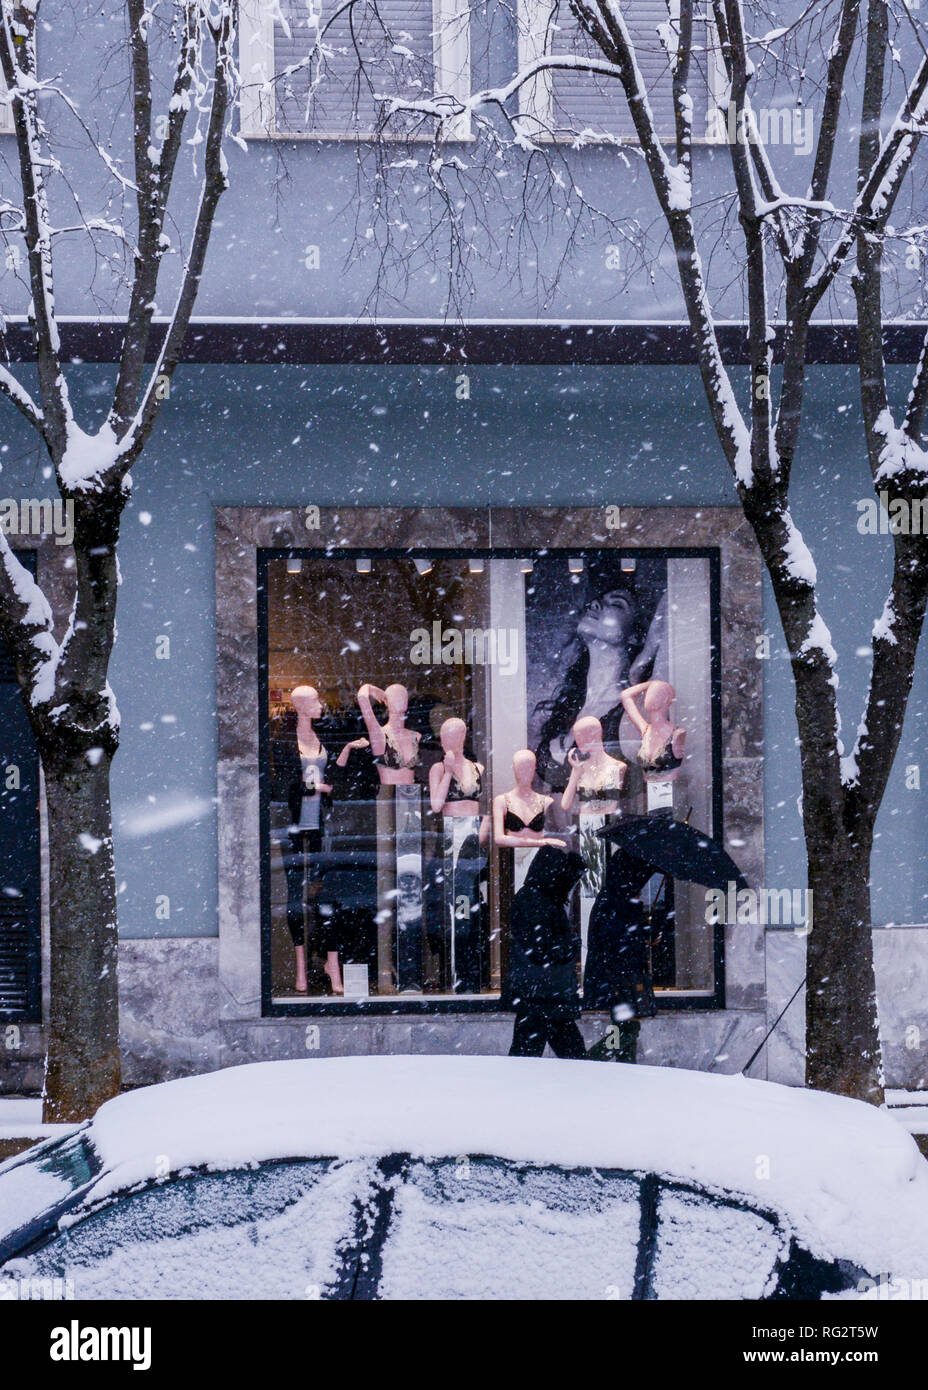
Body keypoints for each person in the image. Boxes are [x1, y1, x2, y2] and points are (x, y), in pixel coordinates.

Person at [501, 845, 587, 1059]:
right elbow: (541, 949)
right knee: (566, 1054)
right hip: (542, 993)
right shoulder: (538, 900)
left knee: (530, 1053)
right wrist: (570, 946)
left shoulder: (537, 897)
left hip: (540, 992)